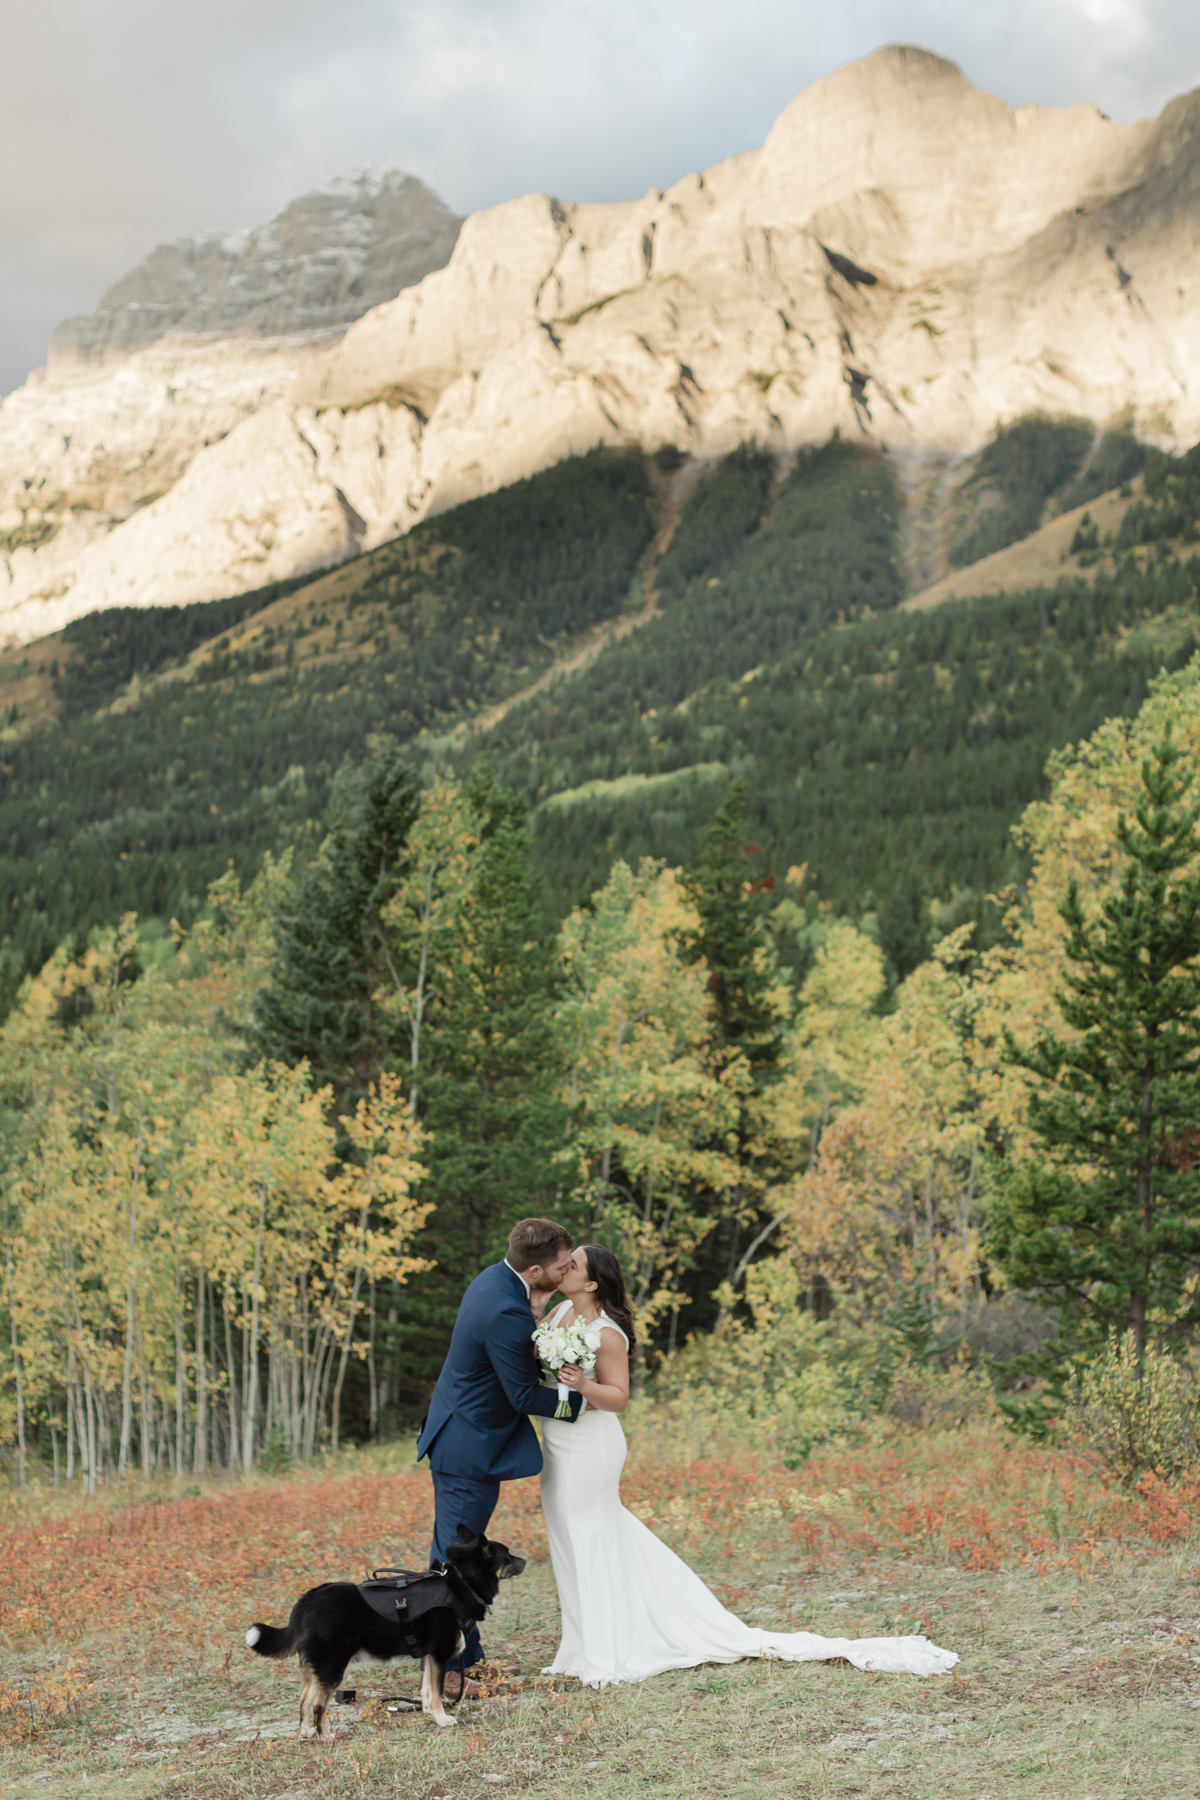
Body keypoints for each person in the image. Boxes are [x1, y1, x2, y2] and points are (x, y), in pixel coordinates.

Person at [541, 1243, 959, 1686]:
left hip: (594, 1443)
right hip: (559, 1438)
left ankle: (604, 1653)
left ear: (591, 1283)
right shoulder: (560, 1312)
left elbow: (619, 1399)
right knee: (568, 1536)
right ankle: (581, 1645)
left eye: (574, 1264)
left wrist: (584, 1383)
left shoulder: (607, 1333)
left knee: (590, 1533)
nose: (563, 1267)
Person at [416, 1217, 585, 1685]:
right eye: (561, 1265)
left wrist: (534, 1312)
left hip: (457, 1436)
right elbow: (525, 1397)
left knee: (453, 1558)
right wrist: (587, 1399)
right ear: (534, 1271)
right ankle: (448, 1670)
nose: (568, 1268)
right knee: (456, 1565)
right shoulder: (506, 1311)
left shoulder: (494, 1279)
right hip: (469, 1449)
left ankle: (468, 1658)